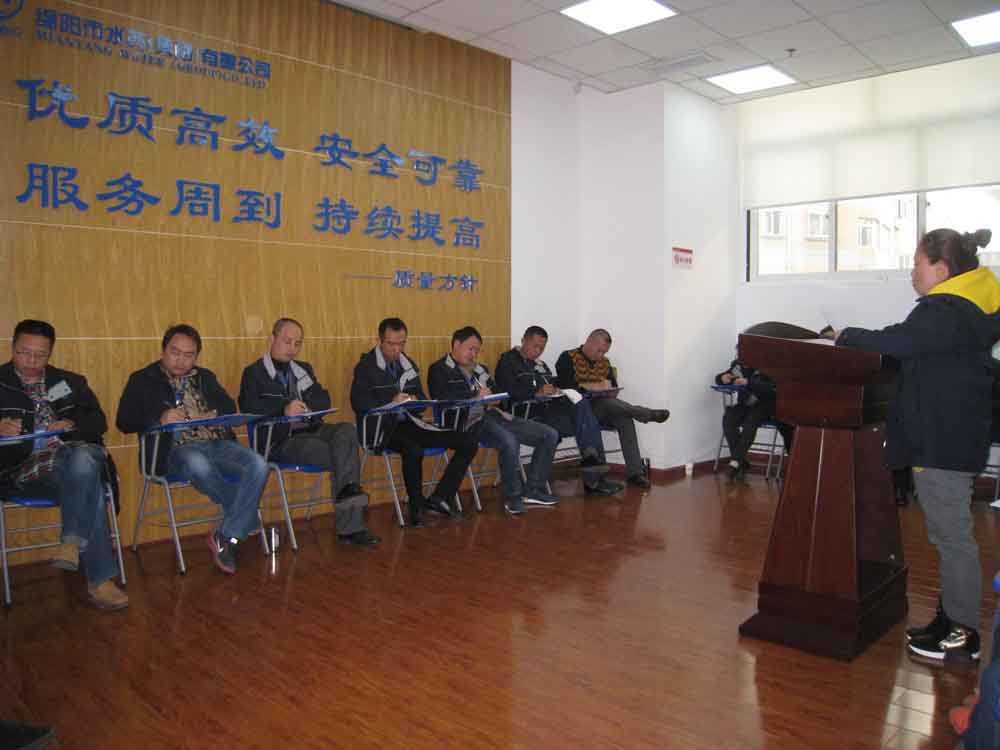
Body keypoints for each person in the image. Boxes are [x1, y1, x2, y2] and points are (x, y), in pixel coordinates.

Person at [832, 228, 999, 663]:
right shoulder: (964, 308)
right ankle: (950, 619)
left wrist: (846, 335)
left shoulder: (945, 311)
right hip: (952, 435)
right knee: (949, 534)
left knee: (952, 538)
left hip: (942, 440)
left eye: (916, 263)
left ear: (941, 270)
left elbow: (896, 341)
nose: (912, 272)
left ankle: (963, 634)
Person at [116, 324, 269, 575]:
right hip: (174, 449)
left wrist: (214, 413)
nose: (181, 360)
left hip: (216, 442)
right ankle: (244, 516)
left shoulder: (204, 377)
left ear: (196, 356)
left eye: (189, 355)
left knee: (259, 464)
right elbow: (124, 421)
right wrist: (160, 419)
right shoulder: (143, 380)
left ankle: (226, 534)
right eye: (175, 353)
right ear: (163, 350)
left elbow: (229, 406)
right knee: (198, 464)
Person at [0, 320, 128, 610]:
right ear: (12, 347)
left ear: (50, 353)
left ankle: (72, 544)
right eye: (24, 352)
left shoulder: (68, 382)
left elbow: (98, 422)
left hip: (71, 456)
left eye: (40, 355)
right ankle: (98, 579)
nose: (31, 361)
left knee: (82, 460)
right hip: (23, 470)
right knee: (90, 482)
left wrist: (69, 423)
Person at [239, 318, 380, 547]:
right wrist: (284, 409)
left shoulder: (303, 369)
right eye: (287, 342)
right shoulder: (254, 373)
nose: (292, 348)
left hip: (312, 428)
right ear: (272, 339)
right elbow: (249, 406)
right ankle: (351, 525)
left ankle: (348, 492)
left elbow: (323, 398)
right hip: (281, 440)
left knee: (347, 430)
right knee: (343, 455)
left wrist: (307, 406)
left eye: (297, 343)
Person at [349, 317, 479, 528]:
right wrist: (391, 401)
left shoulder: (407, 364)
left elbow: (422, 398)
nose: (397, 349)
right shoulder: (366, 367)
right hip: (382, 429)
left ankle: (440, 497)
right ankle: (416, 508)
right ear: (379, 340)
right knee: (413, 449)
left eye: (401, 343)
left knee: (468, 441)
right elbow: (359, 403)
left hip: (410, 423)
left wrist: (414, 400)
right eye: (391, 344)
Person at [428, 326, 560, 515]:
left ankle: (533, 490)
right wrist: (475, 398)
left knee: (549, 434)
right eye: (470, 349)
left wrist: (496, 400)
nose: (473, 354)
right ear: (456, 345)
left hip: (493, 414)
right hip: (466, 420)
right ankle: (514, 498)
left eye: (477, 350)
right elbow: (442, 398)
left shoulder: (479, 369)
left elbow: (499, 391)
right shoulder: (439, 369)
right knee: (509, 440)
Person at [495, 326, 622, 496]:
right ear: (524, 340)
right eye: (535, 346)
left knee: (585, 415)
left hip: (547, 412)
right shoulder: (508, 361)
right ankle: (594, 478)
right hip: (524, 415)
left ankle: (593, 468)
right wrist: (535, 392)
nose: (538, 351)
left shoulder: (540, 365)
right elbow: (507, 391)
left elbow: (552, 384)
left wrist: (555, 390)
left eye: (542, 348)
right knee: (586, 422)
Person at [555, 329, 669, 489]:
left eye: (604, 352)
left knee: (624, 419)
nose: (601, 355)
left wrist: (606, 389)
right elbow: (567, 386)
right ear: (589, 342)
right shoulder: (567, 357)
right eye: (599, 350)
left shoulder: (605, 362)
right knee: (607, 404)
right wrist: (594, 386)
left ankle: (635, 473)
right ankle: (645, 413)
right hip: (581, 412)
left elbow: (612, 386)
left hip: (603, 407)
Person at [714, 358, 793, 481]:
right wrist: (722, 378)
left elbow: (773, 388)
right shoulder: (738, 365)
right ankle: (740, 461)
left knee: (750, 421)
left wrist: (748, 382)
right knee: (729, 419)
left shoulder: (768, 365)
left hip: (765, 406)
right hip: (746, 404)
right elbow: (721, 377)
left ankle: (735, 462)